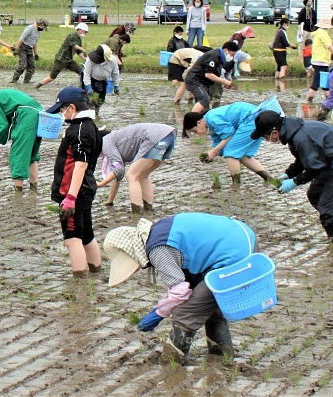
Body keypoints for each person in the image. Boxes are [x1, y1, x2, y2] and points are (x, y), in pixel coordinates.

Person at [103, 214, 259, 363]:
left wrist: (159, 312)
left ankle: (172, 364)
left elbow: (180, 291)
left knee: (185, 312)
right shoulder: (159, 230)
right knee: (206, 303)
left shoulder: (157, 249)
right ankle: (221, 356)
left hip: (234, 259)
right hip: (246, 240)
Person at [251, 111, 333, 245]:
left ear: (274, 132)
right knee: (315, 194)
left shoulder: (300, 137)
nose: (267, 140)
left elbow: (315, 167)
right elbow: (304, 159)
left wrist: (294, 182)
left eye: (266, 137)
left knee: (327, 206)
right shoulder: (294, 131)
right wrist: (288, 174)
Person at [47, 87, 103, 278]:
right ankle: (96, 272)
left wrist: (70, 197)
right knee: (87, 234)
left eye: (63, 110)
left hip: (74, 192)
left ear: (72, 107)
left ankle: (79, 282)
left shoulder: (78, 131)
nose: (62, 114)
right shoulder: (90, 126)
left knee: (72, 238)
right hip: (85, 189)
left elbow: (80, 165)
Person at [182, 99, 279, 190]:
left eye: (195, 131)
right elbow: (221, 148)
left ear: (199, 123)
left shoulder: (212, 118)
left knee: (231, 153)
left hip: (253, 119)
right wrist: (210, 154)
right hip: (254, 120)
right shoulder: (211, 127)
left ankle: (236, 185)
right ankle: (270, 179)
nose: (197, 134)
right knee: (242, 155)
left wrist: (214, 151)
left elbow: (229, 135)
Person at [97, 123, 176, 213]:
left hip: (155, 137)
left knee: (131, 176)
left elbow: (118, 168)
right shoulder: (117, 140)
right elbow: (118, 175)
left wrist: (101, 184)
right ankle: (148, 210)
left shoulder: (105, 141)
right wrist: (109, 202)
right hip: (169, 135)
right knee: (143, 175)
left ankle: (136, 214)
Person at [183, 41, 238, 114]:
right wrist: (225, 82)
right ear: (225, 50)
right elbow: (208, 74)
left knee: (205, 108)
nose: (232, 57)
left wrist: (224, 81)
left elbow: (216, 73)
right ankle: (190, 121)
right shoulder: (213, 56)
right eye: (232, 54)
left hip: (202, 82)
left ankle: (201, 121)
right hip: (195, 80)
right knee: (205, 100)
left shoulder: (220, 57)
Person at [35, 23, 88, 89]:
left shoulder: (79, 39)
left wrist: (86, 59)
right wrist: (82, 49)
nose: (85, 34)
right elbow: (74, 45)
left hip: (69, 60)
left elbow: (79, 52)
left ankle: (80, 88)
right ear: (80, 30)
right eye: (85, 32)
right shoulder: (71, 36)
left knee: (81, 72)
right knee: (51, 78)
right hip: (61, 59)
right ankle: (37, 87)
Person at [82, 44, 120, 114]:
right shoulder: (90, 60)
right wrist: (88, 87)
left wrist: (116, 86)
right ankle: (89, 115)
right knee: (89, 100)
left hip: (103, 81)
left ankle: (96, 113)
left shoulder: (113, 61)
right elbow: (86, 74)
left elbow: (115, 74)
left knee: (100, 100)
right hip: (91, 80)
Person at [306, 18, 333, 103]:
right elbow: (329, 46)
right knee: (316, 83)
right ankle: (309, 101)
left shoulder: (318, 33)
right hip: (321, 61)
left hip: (321, 61)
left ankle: (328, 100)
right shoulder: (323, 34)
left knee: (326, 83)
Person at [11, 19, 47, 84]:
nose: (42, 29)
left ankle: (27, 81)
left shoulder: (38, 32)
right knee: (23, 65)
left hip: (29, 48)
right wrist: (17, 49)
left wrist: (36, 54)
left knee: (32, 66)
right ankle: (14, 80)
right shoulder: (30, 28)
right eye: (42, 27)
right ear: (39, 25)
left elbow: (35, 43)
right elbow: (21, 39)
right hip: (22, 47)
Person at [271, 16, 297, 83]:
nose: (289, 25)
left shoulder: (278, 31)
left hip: (276, 51)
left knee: (279, 68)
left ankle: (277, 84)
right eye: (289, 24)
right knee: (284, 66)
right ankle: (282, 83)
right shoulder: (282, 32)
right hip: (280, 52)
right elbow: (286, 43)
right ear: (285, 24)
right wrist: (293, 46)